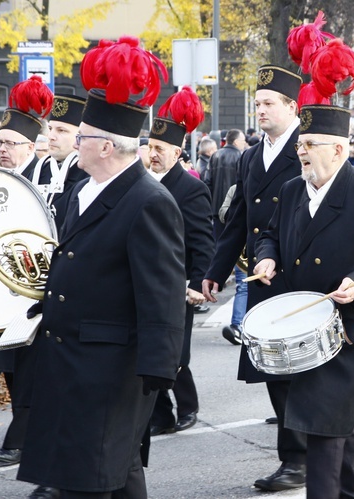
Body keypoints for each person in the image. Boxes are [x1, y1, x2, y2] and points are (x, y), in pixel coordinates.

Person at [16, 36, 185, 498]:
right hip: (72, 355)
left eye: (82, 136)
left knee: (91, 476)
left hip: (111, 368)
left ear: (107, 147)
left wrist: (156, 372)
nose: (73, 143)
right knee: (118, 471)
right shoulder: (82, 190)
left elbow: (162, 292)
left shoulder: (149, 201)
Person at [253, 103, 354, 499]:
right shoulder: (291, 191)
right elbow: (269, 234)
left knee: (324, 424)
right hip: (298, 324)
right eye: (300, 144)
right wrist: (266, 256)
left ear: (338, 150)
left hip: (346, 328)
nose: (300, 151)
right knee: (339, 422)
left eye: (309, 144)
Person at [202, 65, 309, 491]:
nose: (260, 109)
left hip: (298, 273)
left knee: (297, 370)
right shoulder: (250, 155)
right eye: (257, 103)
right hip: (261, 275)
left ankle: (301, 457)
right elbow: (240, 219)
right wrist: (216, 270)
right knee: (272, 368)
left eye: (268, 103)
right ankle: (295, 456)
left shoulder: (308, 145)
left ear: (291, 107)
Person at [0, 76, 56, 468]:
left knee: (29, 368)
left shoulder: (49, 177)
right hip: (2, 289)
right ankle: (25, 430)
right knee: (10, 366)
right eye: (0, 142)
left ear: (30, 145)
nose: (3, 149)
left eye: (10, 143)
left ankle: (21, 439)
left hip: (36, 290)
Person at [146, 86, 215, 436]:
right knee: (150, 352)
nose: (153, 154)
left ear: (177, 152)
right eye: (150, 147)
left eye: (160, 149)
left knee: (176, 355)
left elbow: (203, 241)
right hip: (146, 283)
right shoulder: (140, 182)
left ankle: (187, 406)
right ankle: (160, 415)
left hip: (178, 284)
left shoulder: (191, 189)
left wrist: (198, 282)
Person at [205, 128, 248, 344]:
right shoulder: (243, 158)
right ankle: (239, 324)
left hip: (219, 214)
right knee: (245, 281)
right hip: (237, 220)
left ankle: (239, 324)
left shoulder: (216, 156)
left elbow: (208, 182)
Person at [45, 94, 89, 231]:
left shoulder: (88, 174)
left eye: (62, 130)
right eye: (50, 128)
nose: (51, 136)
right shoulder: (40, 169)